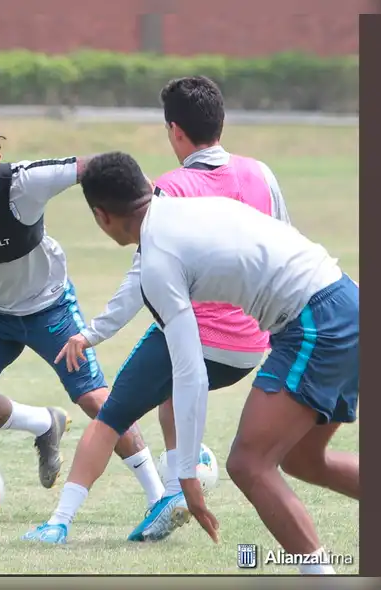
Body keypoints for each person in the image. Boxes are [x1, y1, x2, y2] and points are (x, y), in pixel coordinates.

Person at [32, 151, 359, 575]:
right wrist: (94, 332)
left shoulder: (159, 256)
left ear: (102, 216)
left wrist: (186, 473)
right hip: (347, 299)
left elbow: (189, 371)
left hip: (316, 323)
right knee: (303, 460)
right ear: (145, 185)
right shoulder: (185, 210)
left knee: (248, 463)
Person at [24, 75, 294, 544]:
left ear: (174, 131)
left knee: (110, 416)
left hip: (198, 335)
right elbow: (283, 244)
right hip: (252, 344)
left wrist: (92, 333)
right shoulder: (262, 174)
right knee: (170, 396)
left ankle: (57, 523)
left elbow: (141, 279)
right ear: (221, 122)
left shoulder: (168, 189)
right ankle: (172, 490)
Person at [0, 94, 165, 506]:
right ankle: (43, 424)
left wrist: (151, 196)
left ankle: (159, 497)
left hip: (49, 307)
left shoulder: (28, 182)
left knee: (96, 400)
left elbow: (100, 164)